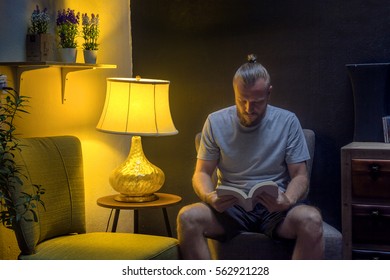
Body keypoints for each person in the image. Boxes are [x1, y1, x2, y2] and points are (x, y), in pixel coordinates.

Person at [176, 54, 324, 259]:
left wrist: (288, 200)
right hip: (230, 208)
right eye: (242, 100)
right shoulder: (215, 121)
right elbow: (201, 173)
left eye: (257, 102)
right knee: (187, 217)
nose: (248, 109)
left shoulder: (287, 121)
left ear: (269, 93)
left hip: (275, 208)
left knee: (312, 219)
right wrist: (209, 196)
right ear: (234, 91)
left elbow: (300, 175)